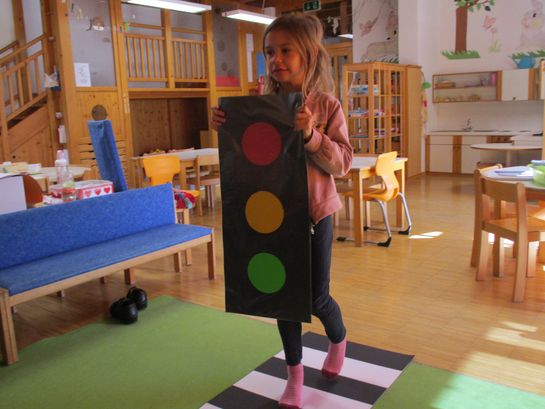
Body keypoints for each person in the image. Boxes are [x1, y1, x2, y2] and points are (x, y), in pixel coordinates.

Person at [212, 14, 353, 409]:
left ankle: (338, 338)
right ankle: (294, 375)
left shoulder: (326, 105)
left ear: (309, 54)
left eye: (285, 50)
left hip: (314, 216)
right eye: (269, 52)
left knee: (317, 298)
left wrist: (311, 134)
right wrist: (228, 127)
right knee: (283, 299)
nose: (276, 59)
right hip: (272, 216)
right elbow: (249, 158)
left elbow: (342, 163)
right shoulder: (259, 106)